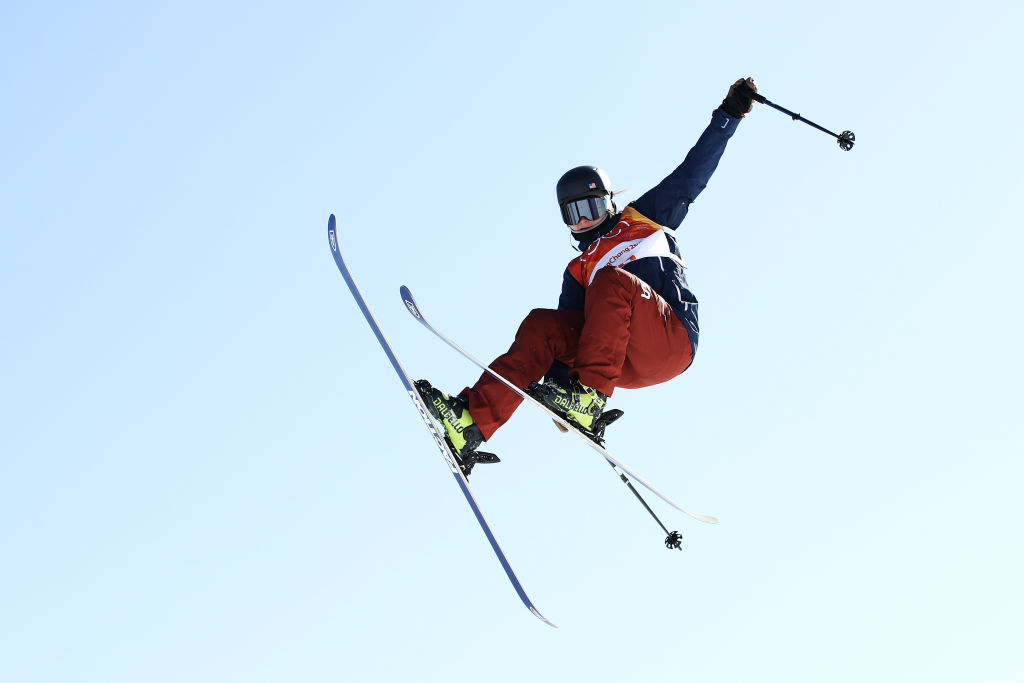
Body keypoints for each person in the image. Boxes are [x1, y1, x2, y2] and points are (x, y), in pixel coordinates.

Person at [416, 77, 758, 470]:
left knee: (612, 280)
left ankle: (589, 398)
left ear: (610, 202)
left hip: (671, 339)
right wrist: (558, 393)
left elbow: (693, 172)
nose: (584, 220)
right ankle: (472, 423)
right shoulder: (578, 270)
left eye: (591, 208)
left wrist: (728, 115)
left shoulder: (643, 217)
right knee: (543, 324)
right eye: (573, 215)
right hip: (619, 359)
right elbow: (568, 341)